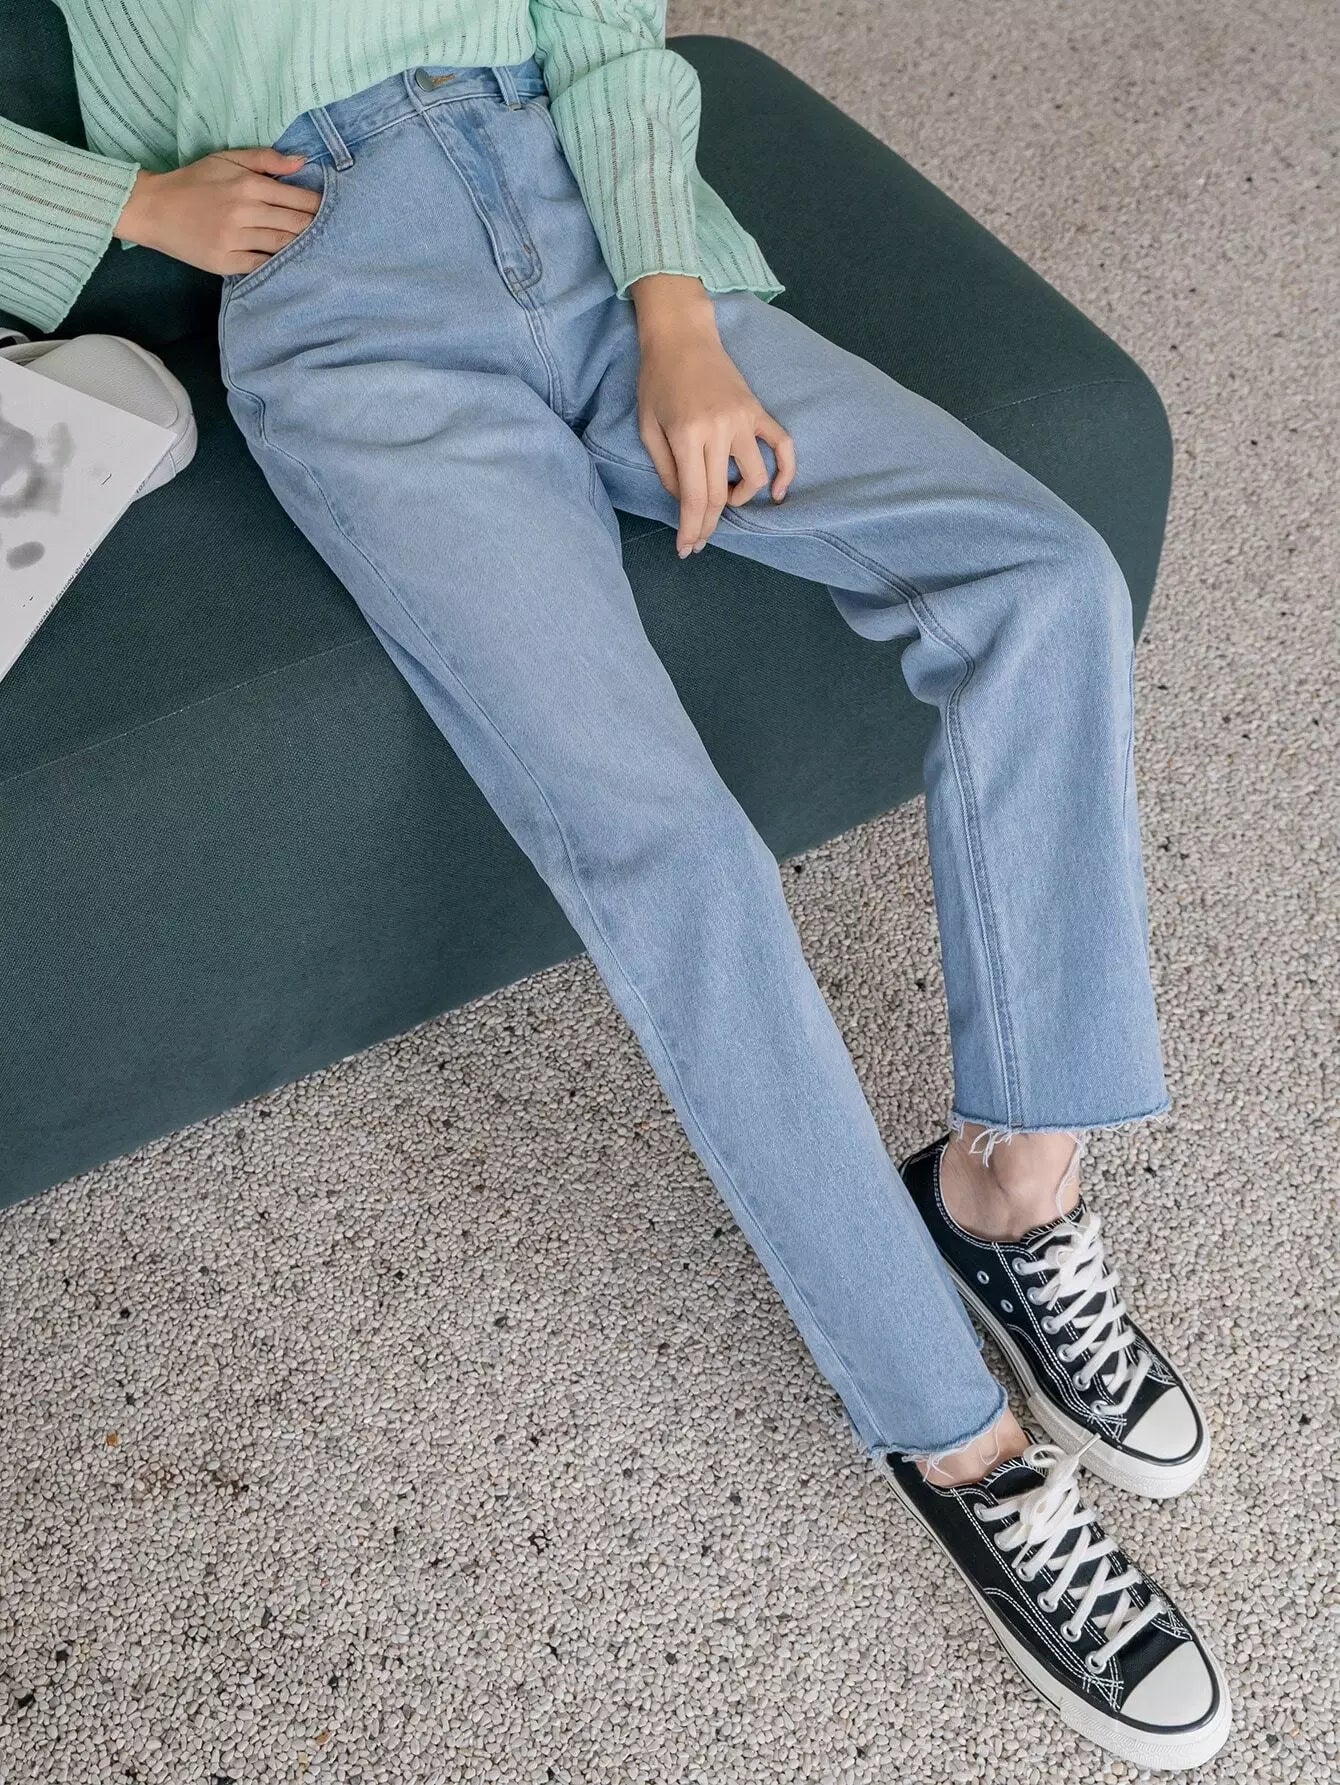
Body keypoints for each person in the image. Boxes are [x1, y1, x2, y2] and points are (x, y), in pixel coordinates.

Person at [1, 3, 1230, 1769]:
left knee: (1044, 581)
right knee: (674, 854)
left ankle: (1008, 1193)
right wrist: (126, 210)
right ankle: (961, 1444)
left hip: (582, 205)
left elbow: (605, 30)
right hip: (343, 316)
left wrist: (674, 319)